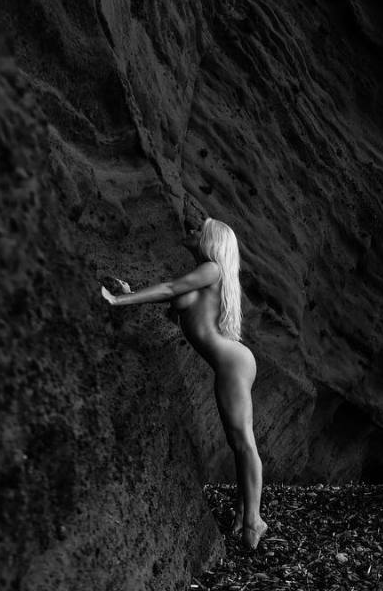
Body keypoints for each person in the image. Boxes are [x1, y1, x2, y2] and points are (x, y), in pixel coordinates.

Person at [101, 217, 267, 551]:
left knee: (243, 441)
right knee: (237, 441)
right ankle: (242, 512)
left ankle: (254, 520)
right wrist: (132, 293)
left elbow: (169, 290)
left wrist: (118, 302)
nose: (191, 230)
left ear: (211, 241)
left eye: (199, 229)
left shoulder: (211, 269)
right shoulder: (206, 275)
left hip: (232, 362)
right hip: (231, 362)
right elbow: (172, 299)